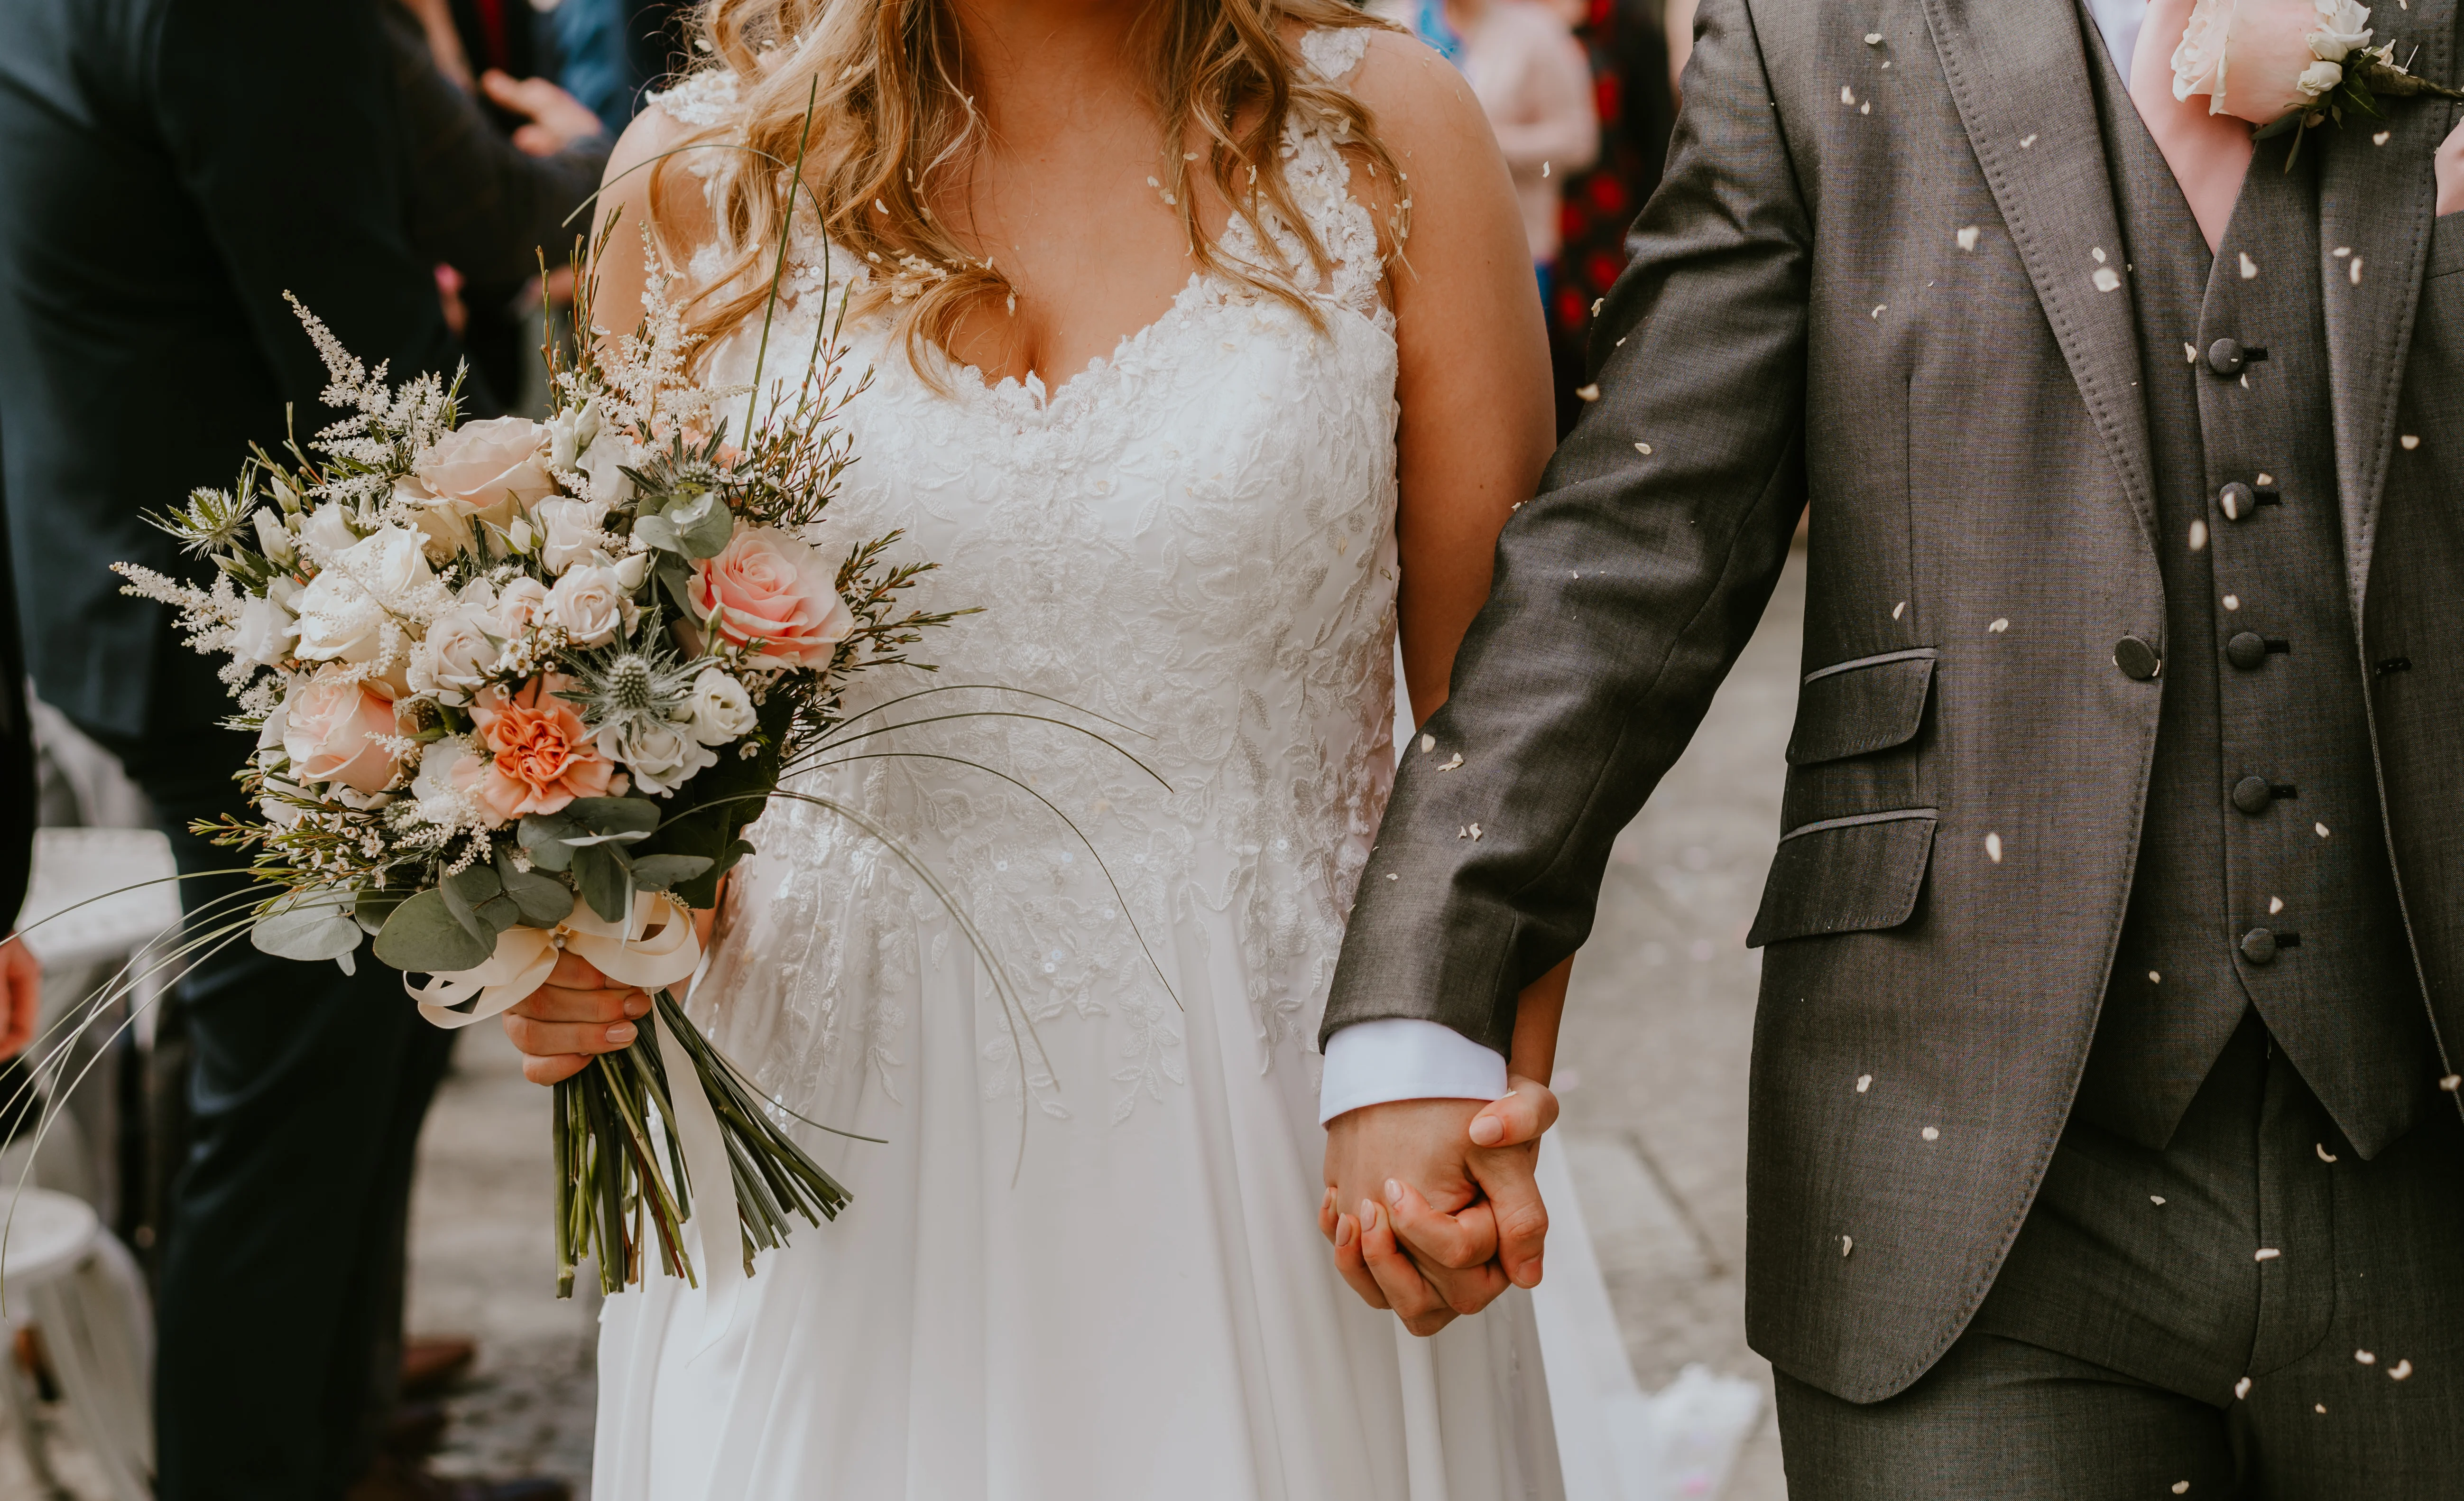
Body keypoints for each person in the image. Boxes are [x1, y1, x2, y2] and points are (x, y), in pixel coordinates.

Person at [1321, 0, 2464, 1491]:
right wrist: (1425, 1001)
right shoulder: (1815, 27)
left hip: (2429, 1136)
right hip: (1959, 1172)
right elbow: (1646, 533)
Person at [499, 1, 1575, 1494]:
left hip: (1288, 1148)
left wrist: (1458, 1071)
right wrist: (582, 937)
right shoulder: (695, 182)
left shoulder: (1388, 132)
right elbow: (663, 765)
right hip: (838, 1176)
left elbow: (1506, 713)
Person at [0, 4, 554, 1499]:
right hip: (253, 638)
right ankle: (264, 1462)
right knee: (296, 1110)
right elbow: (363, 352)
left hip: (136, 585)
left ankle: (337, 1437)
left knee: (342, 1068)